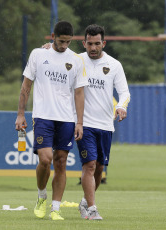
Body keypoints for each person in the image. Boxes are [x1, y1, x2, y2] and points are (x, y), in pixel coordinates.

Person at [43, 24, 130, 220]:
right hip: (82, 123)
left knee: (99, 168)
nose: (93, 48)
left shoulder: (114, 65)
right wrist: (47, 47)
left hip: (106, 124)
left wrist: (122, 106)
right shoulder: (76, 60)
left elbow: (124, 92)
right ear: (83, 43)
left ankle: (84, 201)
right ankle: (92, 209)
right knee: (89, 165)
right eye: (89, 44)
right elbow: (55, 54)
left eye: (97, 44)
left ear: (103, 43)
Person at [15, 21, 88, 221]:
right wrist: (21, 114)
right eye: (61, 41)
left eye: (68, 42)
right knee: (45, 159)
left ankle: (55, 208)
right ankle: (41, 196)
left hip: (66, 119)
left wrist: (79, 122)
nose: (64, 45)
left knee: (61, 162)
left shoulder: (76, 60)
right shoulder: (38, 54)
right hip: (42, 116)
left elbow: (79, 93)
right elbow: (26, 86)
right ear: (53, 35)